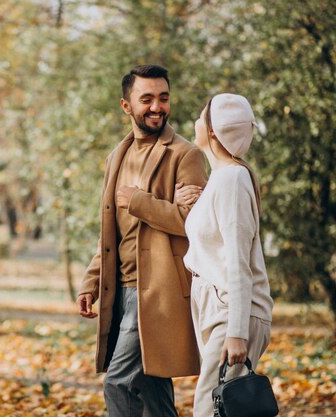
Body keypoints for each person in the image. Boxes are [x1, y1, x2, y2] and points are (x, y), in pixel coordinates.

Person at [77, 64, 208, 417]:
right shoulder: (116, 157)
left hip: (156, 291)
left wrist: (139, 201)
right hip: (120, 288)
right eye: (146, 99)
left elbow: (196, 225)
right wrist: (91, 281)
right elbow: (111, 232)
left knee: (118, 382)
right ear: (126, 106)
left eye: (163, 98)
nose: (157, 107)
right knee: (153, 391)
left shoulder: (185, 155)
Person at [177, 93, 274, 417]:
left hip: (231, 311)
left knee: (207, 409)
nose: (195, 122)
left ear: (214, 131)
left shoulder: (232, 178)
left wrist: (236, 333)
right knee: (223, 410)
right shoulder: (221, 178)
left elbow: (237, 261)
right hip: (217, 308)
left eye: (201, 116)